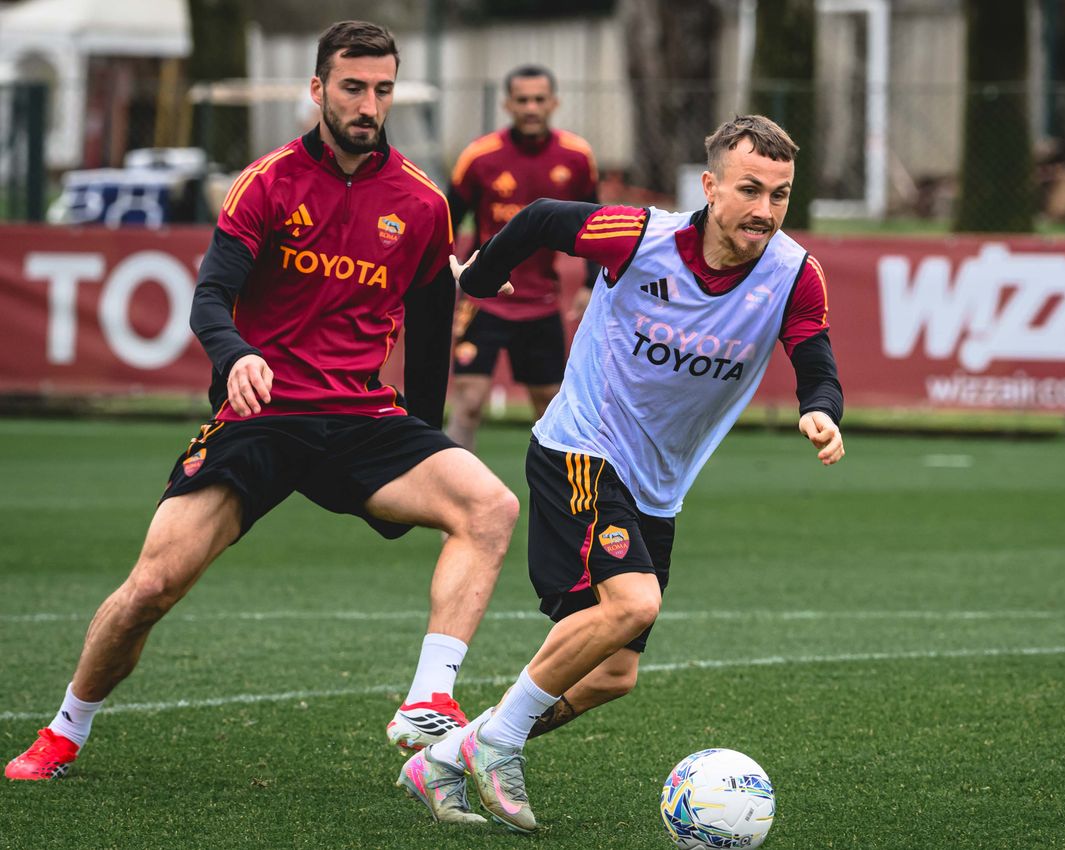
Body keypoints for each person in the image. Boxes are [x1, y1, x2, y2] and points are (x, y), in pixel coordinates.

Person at [4, 21, 519, 786]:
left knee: (489, 506)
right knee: (150, 588)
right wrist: (235, 354)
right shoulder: (267, 182)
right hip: (264, 414)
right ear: (317, 90)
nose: (367, 104)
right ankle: (64, 728)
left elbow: (432, 323)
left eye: (381, 89)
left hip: (359, 419)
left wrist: (427, 434)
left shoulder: (419, 203)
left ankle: (427, 697)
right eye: (352, 87)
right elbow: (210, 296)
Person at [396, 115, 844, 831]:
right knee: (634, 604)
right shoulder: (639, 236)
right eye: (750, 189)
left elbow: (814, 356)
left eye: (780, 194)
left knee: (612, 673)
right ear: (710, 187)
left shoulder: (792, 273)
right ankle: (501, 745)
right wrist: (478, 279)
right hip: (580, 450)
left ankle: (451, 754)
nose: (764, 210)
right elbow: (540, 218)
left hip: (655, 487)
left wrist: (820, 409)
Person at [445, 64, 600, 453]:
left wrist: (588, 281)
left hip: (541, 302)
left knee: (550, 407)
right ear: (507, 104)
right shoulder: (479, 157)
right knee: (468, 402)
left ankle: (561, 502)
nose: (531, 107)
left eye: (539, 99)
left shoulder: (577, 157)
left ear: (554, 103)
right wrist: (444, 280)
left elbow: (596, 223)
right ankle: (453, 494)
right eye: (522, 100)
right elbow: (444, 221)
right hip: (483, 298)